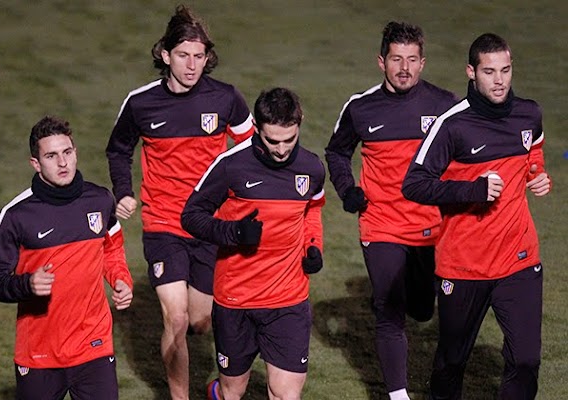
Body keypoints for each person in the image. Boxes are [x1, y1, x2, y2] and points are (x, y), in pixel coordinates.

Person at [105, 5, 255, 398]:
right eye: (184, 55)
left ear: (208, 58)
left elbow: (251, 150)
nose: (192, 65)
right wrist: (124, 190)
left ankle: (215, 390)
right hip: (164, 225)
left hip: (210, 225)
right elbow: (118, 148)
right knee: (176, 317)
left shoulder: (226, 98)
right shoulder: (141, 103)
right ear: (165, 55)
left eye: (199, 56)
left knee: (201, 320)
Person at [402, 33, 551, 399]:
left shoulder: (528, 113)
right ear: (471, 72)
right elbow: (414, 185)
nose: (499, 80)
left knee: (527, 360)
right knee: (452, 361)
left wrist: (537, 175)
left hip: (519, 258)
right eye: (489, 71)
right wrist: (472, 190)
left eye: (505, 70)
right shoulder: (452, 125)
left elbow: (533, 152)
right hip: (464, 265)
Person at [324, 21, 457, 400]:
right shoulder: (361, 108)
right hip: (381, 224)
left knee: (421, 310)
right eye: (396, 59)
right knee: (389, 311)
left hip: (433, 227)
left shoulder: (444, 105)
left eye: (412, 60)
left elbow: (468, 151)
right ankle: (398, 395)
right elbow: (336, 151)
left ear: (423, 62)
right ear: (381, 62)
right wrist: (349, 190)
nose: (404, 68)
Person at [181, 87, 326, 400]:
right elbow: (191, 216)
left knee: (286, 392)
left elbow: (312, 211)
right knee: (234, 390)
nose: (281, 149)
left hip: (289, 299)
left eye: (289, 139)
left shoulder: (312, 168)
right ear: (257, 129)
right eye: (272, 140)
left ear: (300, 123)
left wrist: (313, 247)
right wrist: (233, 233)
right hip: (236, 300)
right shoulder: (231, 165)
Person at [0, 116, 133, 400]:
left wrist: (121, 280)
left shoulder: (100, 200)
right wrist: (26, 284)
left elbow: (111, 248)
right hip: (39, 353)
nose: (63, 163)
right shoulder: (16, 215)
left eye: (67, 152)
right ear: (36, 164)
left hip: (94, 345)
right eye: (51, 155)